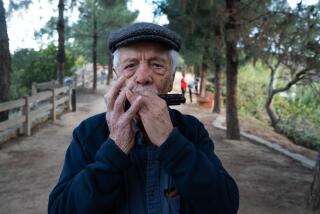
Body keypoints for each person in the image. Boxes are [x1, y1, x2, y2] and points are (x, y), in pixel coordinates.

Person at [48, 22, 239, 214]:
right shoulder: (89, 133)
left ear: (171, 78)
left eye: (156, 65)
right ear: (117, 77)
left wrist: (171, 142)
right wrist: (115, 150)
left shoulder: (191, 130)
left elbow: (225, 206)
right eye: (130, 66)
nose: (142, 77)